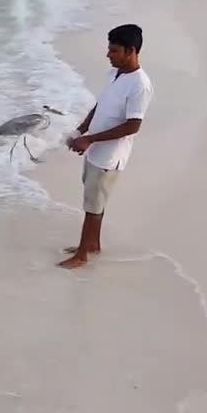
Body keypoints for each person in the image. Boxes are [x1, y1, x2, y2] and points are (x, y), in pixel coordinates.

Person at [59, 24, 153, 269]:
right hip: (95, 150)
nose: (108, 55)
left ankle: (81, 255)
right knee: (93, 200)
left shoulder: (140, 85)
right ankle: (92, 244)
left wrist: (90, 139)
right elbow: (99, 106)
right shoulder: (113, 74)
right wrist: (80, 130)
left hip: (110, 157)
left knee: (93, 205)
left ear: (131, 51)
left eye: (114, 50)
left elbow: (133, 126)